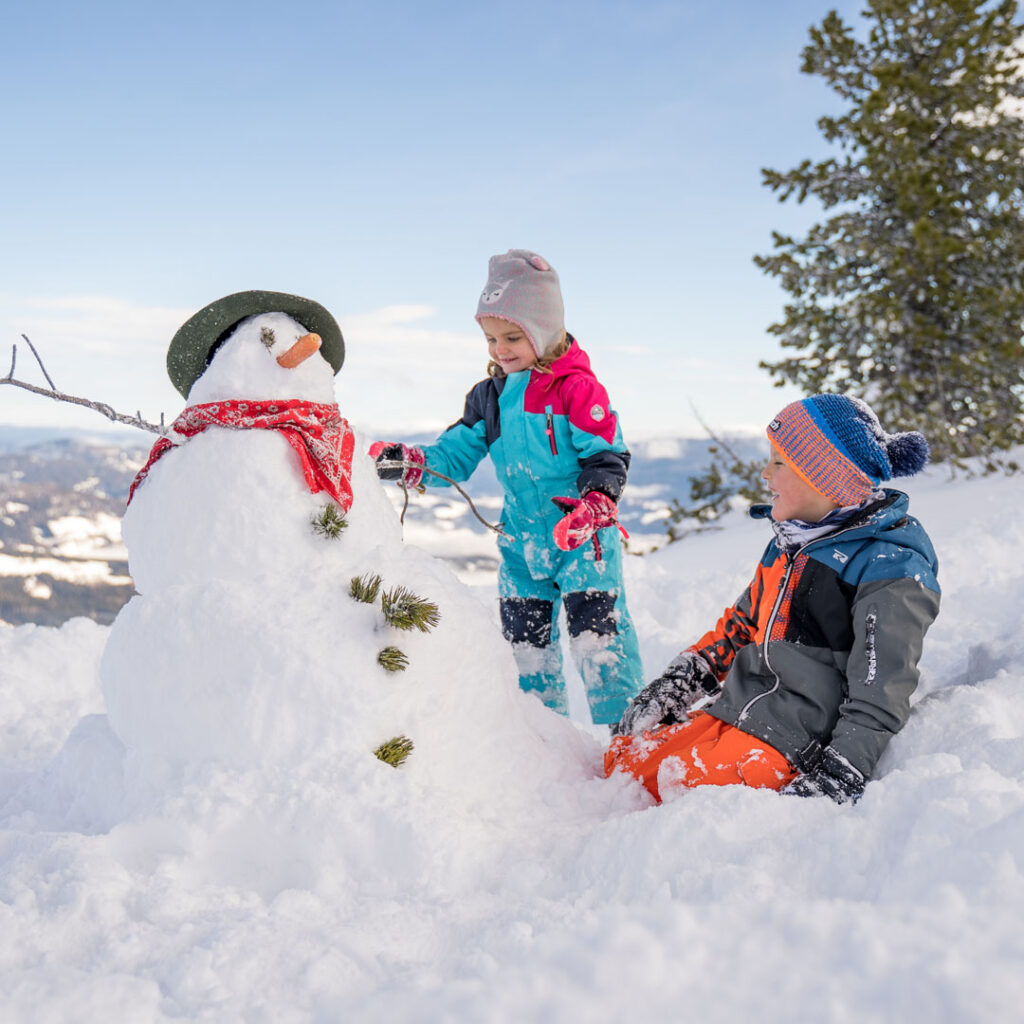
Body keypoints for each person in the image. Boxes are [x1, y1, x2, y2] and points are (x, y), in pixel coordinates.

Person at [606, 393, 940, 804]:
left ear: (824, 477)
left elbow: (880, 685)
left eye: (779, 462)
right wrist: (678, 683)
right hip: (738, 714)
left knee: (675, 796)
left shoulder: (888, 564)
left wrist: (844, 768)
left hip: (791, 740)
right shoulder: (791, 544)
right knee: (625, 763)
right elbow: (741, 628)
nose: (765, 473)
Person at [371, 249, 643, 723]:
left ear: (545, 329)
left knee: (600, 648)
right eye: (491, 338)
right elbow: (453, 457)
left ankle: (628, 742)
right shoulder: (490, 397)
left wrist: (596, 502)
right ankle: (543, 744)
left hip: (582, 540)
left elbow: (606, 454)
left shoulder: (576, 390)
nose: (500, 349)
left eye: (513, 337)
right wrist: (412, 463)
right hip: (521, 545)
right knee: (525, 656)